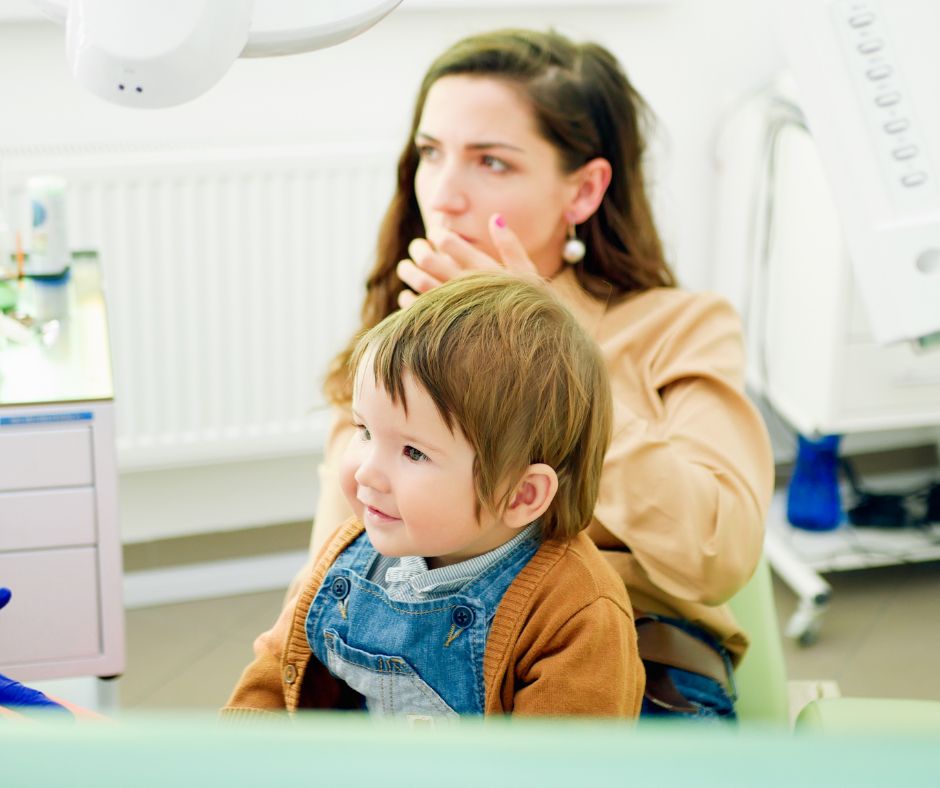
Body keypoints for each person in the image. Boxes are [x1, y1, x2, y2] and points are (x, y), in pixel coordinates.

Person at [284, 28, 773, 719]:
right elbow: (327, 569)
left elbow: (718, 553)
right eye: (431, 153)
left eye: (491, 162)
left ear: (583, 190)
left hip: (628, 668)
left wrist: (552, 354)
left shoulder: (679, 326)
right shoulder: (400, 337)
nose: (445, 195)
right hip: (405, 664)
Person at [224, 272, 644, 717]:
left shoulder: (577, 614)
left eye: (413, 452)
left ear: (521, 494)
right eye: (364, 430)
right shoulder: (350, 555)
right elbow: (274, 668)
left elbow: (560, 769)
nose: (368, 471)